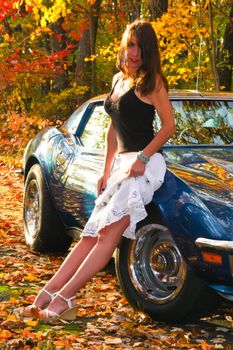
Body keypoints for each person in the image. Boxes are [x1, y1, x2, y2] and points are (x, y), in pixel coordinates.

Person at [20, 19, 176, 322]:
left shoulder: (153, 81)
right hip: (119, 167)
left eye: (139, 47)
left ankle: (64, 299)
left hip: (143, 168)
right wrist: (105, 172)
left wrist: (142, 157)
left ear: (148, 51)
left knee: (107, 238)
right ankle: (46, 295)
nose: (132, 53)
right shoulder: (119, 79)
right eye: (130, 44)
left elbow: (169, 126)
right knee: (89, 237)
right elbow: (111, 131)